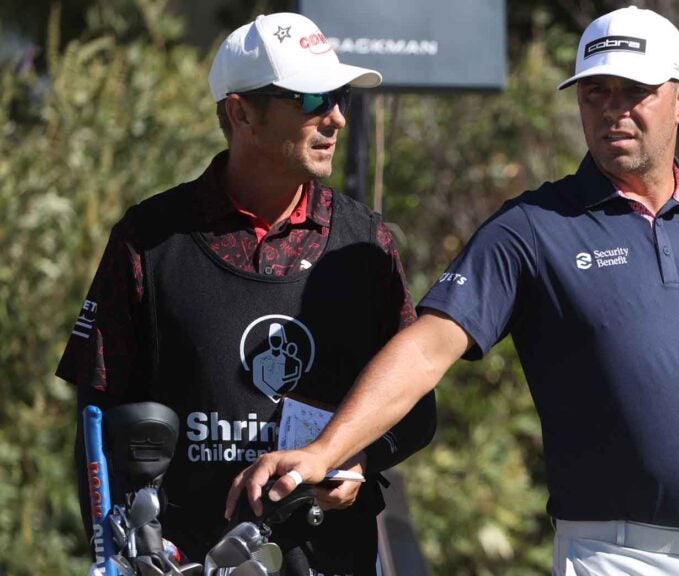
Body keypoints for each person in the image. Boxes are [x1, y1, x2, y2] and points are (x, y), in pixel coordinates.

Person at [226, 7, 679, 575]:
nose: (613, 111)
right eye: (594, 92)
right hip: (614, 556)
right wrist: (326, 450)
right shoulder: (533, 228)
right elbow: (427, 347)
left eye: (632, 90)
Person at [59, 12, 436, 575]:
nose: (334, 117)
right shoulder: (150, 239)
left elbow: (415, 407)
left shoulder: (367, 241)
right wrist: (115, 555)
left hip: (335, 557)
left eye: (340, 97)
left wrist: (353, 461)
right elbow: (96, 421)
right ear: (242, 113)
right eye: (312, 98)